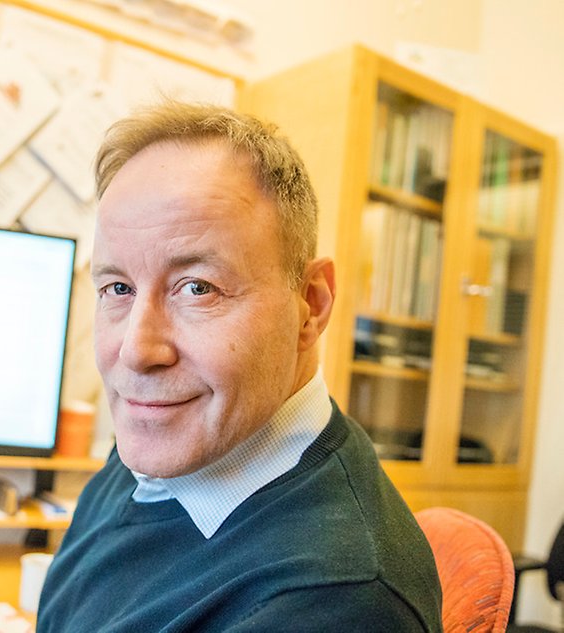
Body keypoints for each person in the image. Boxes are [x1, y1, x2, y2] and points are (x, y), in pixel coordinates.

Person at [36, 102, 443, 632]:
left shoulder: (334, 603)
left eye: (197, 288)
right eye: (118, 288)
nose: (137, 350)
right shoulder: (166, 443)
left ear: (311, 306)